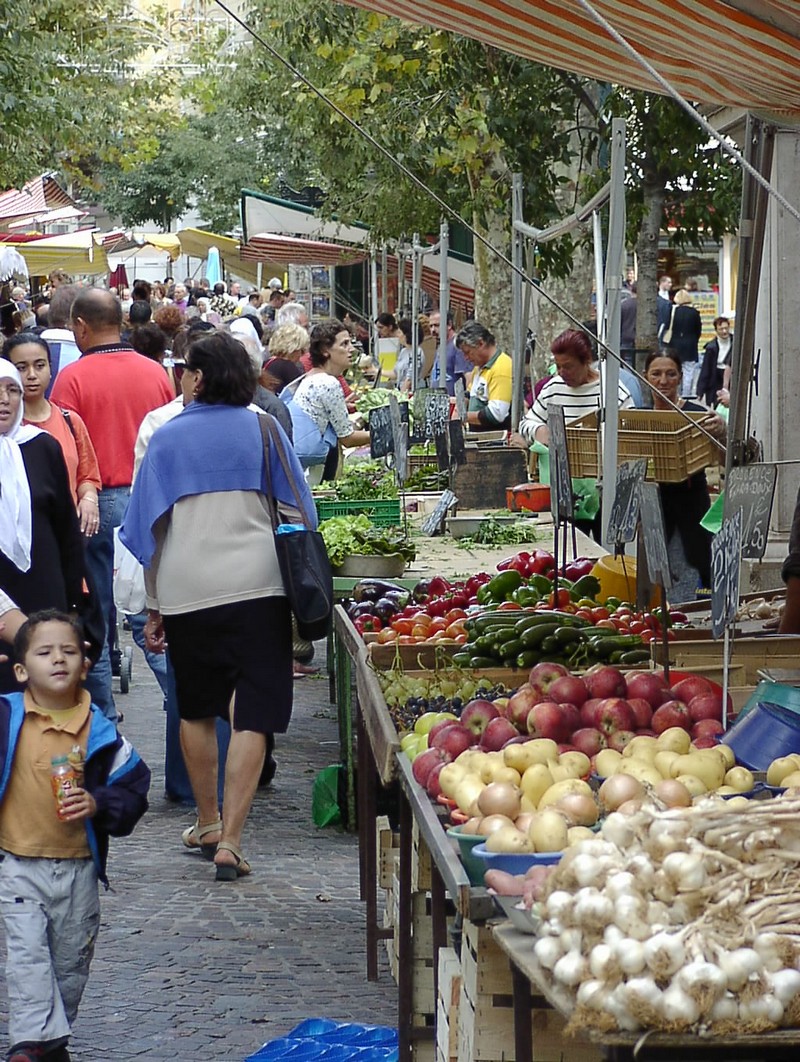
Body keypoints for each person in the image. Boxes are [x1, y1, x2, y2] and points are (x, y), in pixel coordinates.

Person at [120, 330, 314, 880]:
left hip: (187, 589)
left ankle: (206, 820)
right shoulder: (264, 427)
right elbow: (301, 511)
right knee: (252, 711)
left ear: (197, 377)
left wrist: (155, 605)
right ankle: (232, 838)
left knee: (197, 705)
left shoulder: (167, 439)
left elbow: (147, 533)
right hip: (259, 585)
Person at [0, 609, 149, 1062]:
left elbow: (134, 788)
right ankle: (27, 1044)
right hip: (18, 865)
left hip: (78, 868)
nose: (59, 659)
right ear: (22, 669)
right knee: (27, 957)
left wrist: (98, 802)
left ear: (86, 665)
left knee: (69, 966)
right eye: (45, 652)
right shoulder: (7, 719)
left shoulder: (101, 733)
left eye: (70, 651)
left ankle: (51, 1041)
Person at [50, 289, 174, 723]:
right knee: (148, 610)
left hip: (94, 503)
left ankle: (102, 715)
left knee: (96, 612)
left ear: (81, 327)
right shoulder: (155, 373)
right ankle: (181, 698)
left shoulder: (72, 378)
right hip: (148, 498)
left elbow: (64, 449)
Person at [0, 364, 89, 695]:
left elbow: (66, 528)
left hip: (42, 585)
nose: (4, 399)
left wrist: (73, 602)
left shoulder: (41, 446)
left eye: (12, 390)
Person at [644, 350, 726, 602]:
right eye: (656, 374)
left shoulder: (698, 415)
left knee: (701, 559)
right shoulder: (638, 417)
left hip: (692, 496)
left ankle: (706, 606)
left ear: (680, 377)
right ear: (646, 378)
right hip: (655, 498)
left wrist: (722, 430)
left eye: (670, 374)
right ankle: (654, 612)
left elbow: (724, 458)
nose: (663, 381)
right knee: (653, 563)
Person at [3, 333, 102, 535]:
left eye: (39, 365)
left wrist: (89, 500)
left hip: (65, 531)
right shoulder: (6, 430)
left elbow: (87, 476)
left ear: (50, 368)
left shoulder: (70, 421)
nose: (31, 375)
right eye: (21, 368)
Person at [281, 319, 370, 485]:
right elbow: (347, 438)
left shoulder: (312, 377)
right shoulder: (327, 383)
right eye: (344, 344)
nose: (351, 349)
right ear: (324, 351)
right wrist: (382, 435)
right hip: (311, 472)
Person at [455, 320, 513, 431]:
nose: (466, 358)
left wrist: (463, 417)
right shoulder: (479, 368)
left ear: (480, 343)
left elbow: (496, 414)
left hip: (494, 439)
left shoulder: (501, 367)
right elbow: (470, 395)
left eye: (468, 352)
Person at [661, 289, 702, 396]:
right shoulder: (694, 313)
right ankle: (686, 395)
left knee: (676, 370)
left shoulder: (673, 311)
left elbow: (667, 326)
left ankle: (677, 395)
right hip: (690, 346)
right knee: (689, 372)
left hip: (674, 345)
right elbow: (698, 330)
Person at [429, 310, 470, 396]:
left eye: (437, 325)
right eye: (431, 326)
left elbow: (468, 376)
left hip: (453, 404)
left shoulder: (457, 346)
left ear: (449, 325)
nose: (433, 330)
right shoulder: (441, 346)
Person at [697, 316, 733, 408]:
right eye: (721, 329)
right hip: (716, 376)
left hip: (731, 375)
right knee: (717, 404)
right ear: (716, 330)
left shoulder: (735, 342)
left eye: (726, 328)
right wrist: (700, 391)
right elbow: (706, 370)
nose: (724, 331)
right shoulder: (711, 347)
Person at [263, 323, 308, 393]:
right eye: (301, 351)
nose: (301, 356)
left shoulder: (267, 362)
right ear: (294, 349)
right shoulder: (288, 367)